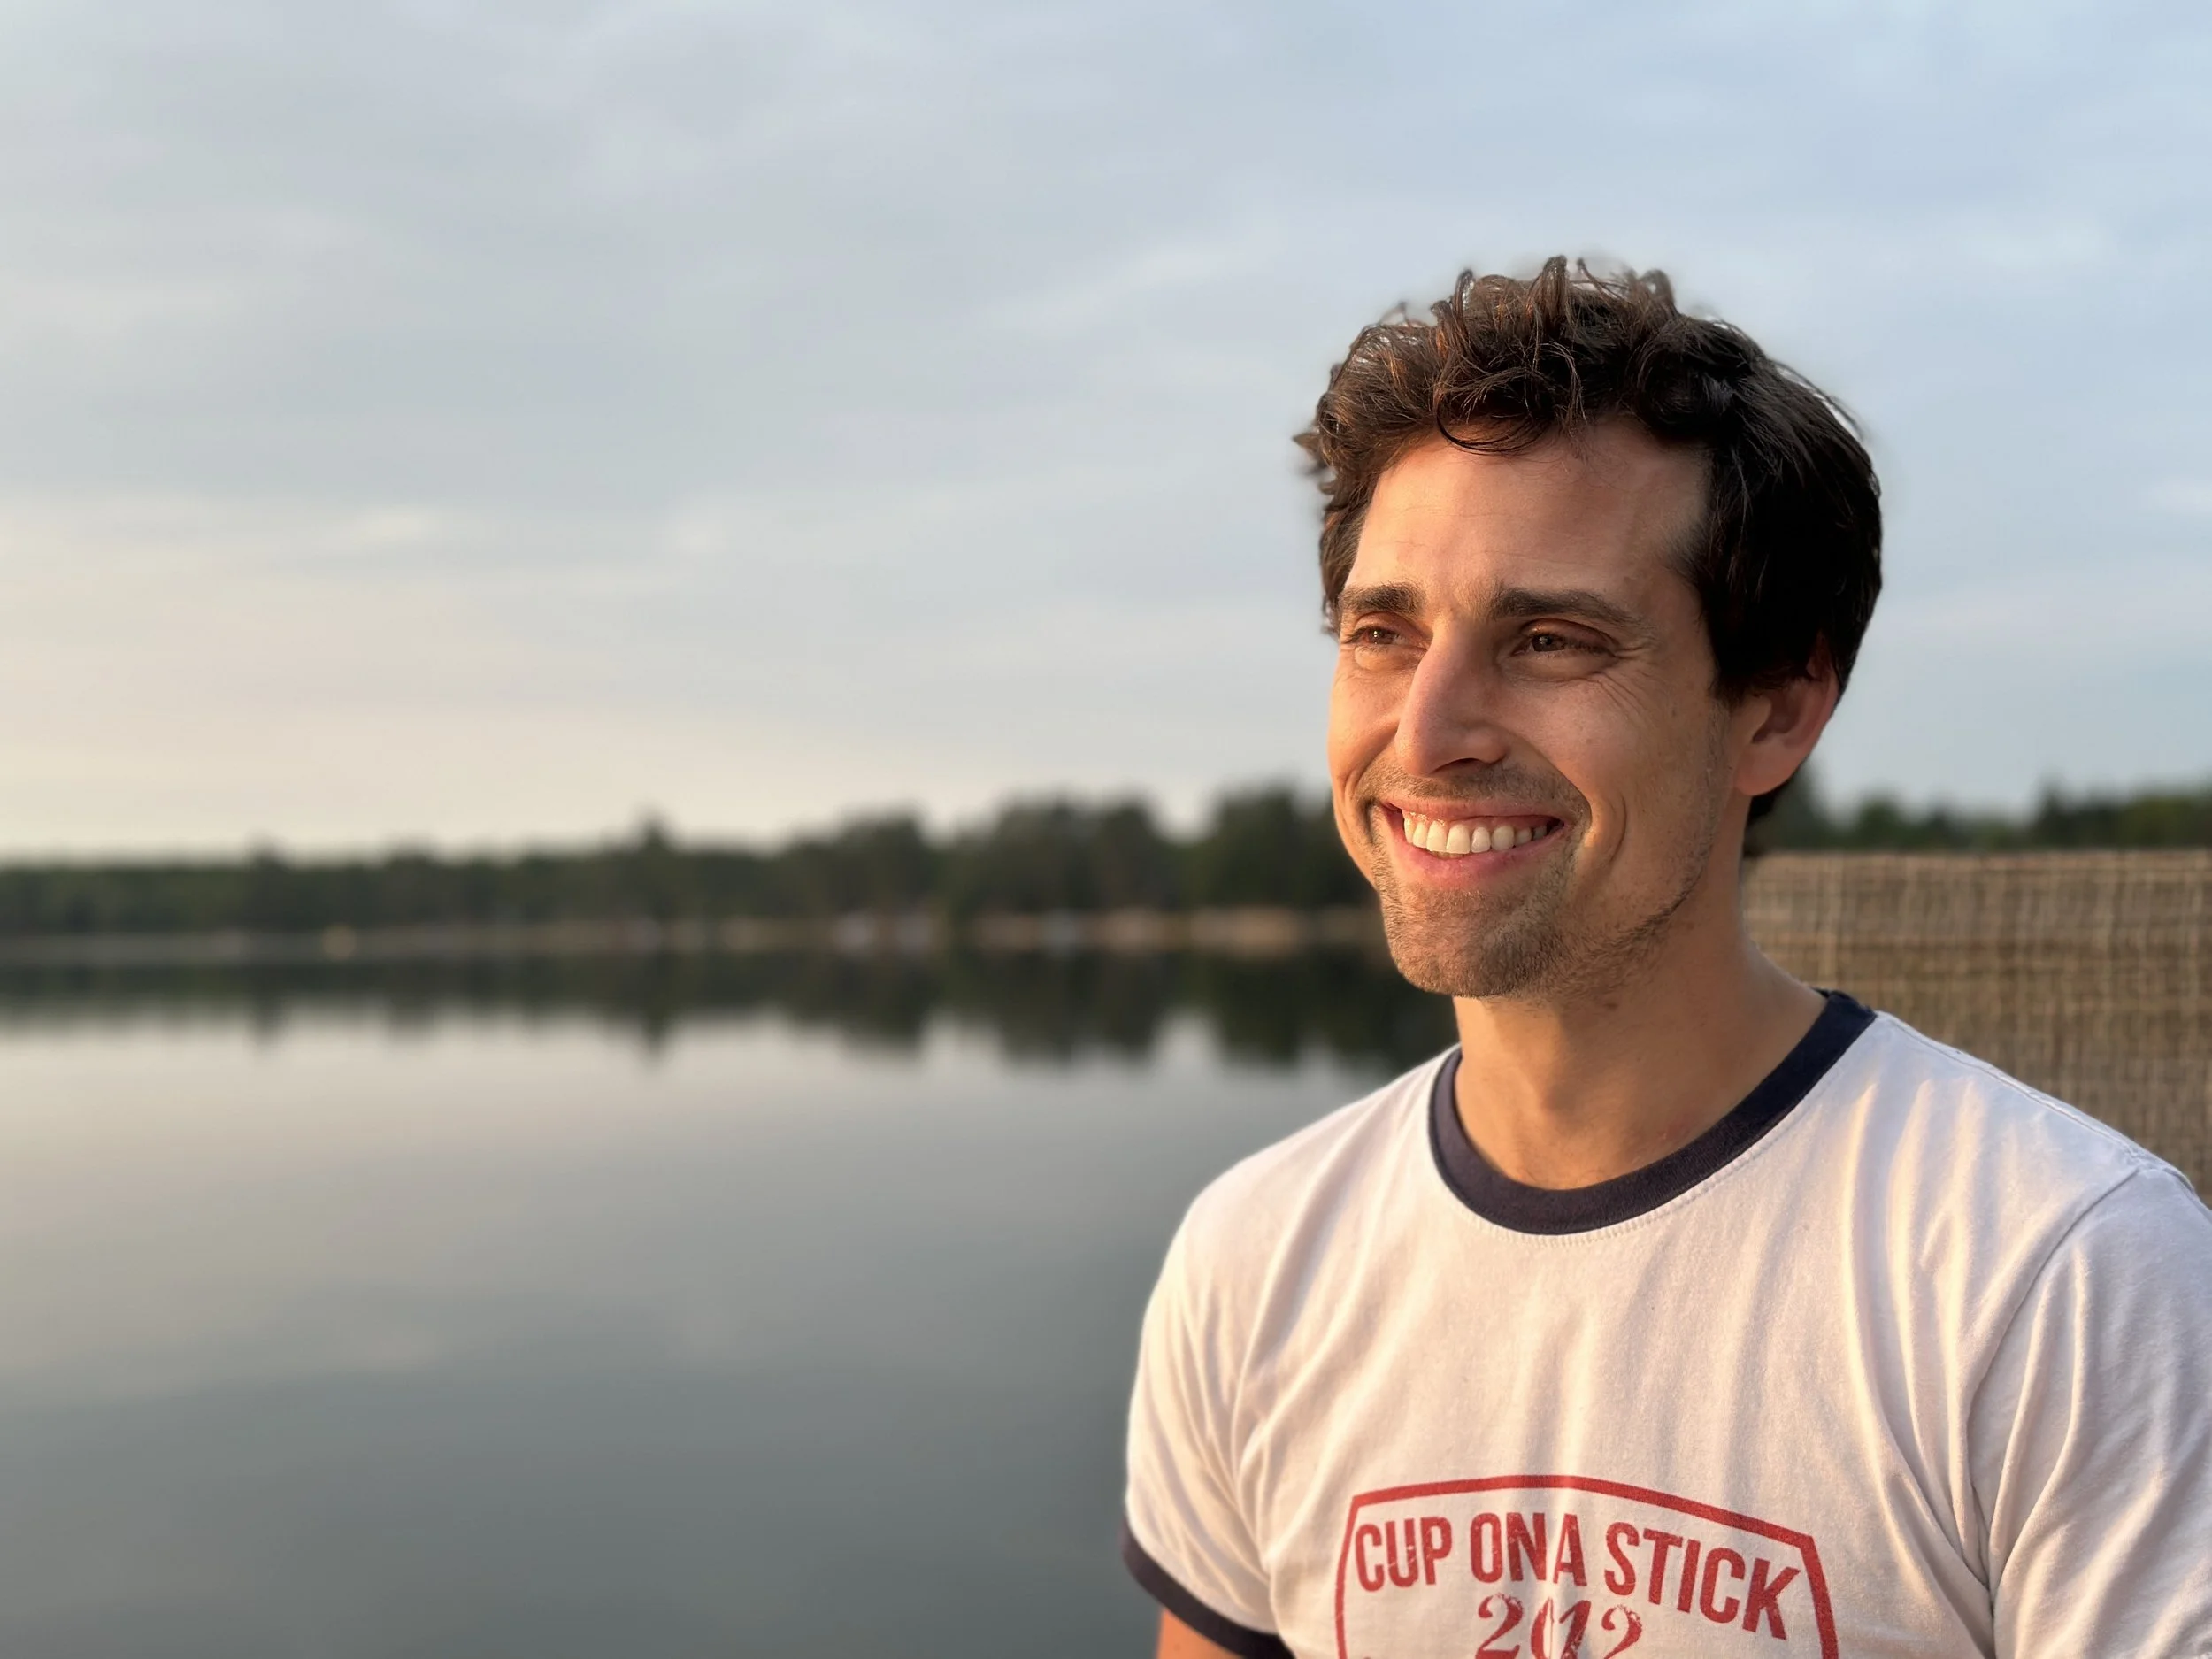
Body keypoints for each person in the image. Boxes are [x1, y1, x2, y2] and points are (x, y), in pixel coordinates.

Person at [1121, 261, 2212, 1659]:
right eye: (1383, 634)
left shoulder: (2064, 1277)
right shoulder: (1254, 1258)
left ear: (1777, 708)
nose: (1430, 726)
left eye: (1552, 638)